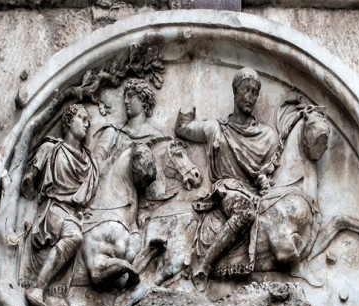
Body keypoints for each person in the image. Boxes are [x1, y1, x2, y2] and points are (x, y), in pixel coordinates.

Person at [175, 68, 278, 291]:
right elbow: (182, 129)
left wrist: (264, 182)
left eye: (255, 92)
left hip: (252, 193)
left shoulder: (267, 136)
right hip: (226, 190)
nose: (250, 97)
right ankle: (204, 266)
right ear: (235, 92)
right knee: (245, 212)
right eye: (246, 90)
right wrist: (185, 96)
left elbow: (265, 173)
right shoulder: (216, 128)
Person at [20, 104, 99, 306]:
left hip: (75, 213)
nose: (87, 123)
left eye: (88, 120)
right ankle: (37, 287)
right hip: (53, 209)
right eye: (82, 118)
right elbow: (28, 182)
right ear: (68, 121)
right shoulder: (51, 148)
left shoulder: (89, 161)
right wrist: (29, 178)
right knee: (74, 237)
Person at [92, 78, 164, 171]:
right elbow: (95, 165)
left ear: (143, 99)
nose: (126, 101)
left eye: (130, 96)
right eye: (125, 97)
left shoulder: (157, 138)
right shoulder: (113, 133)